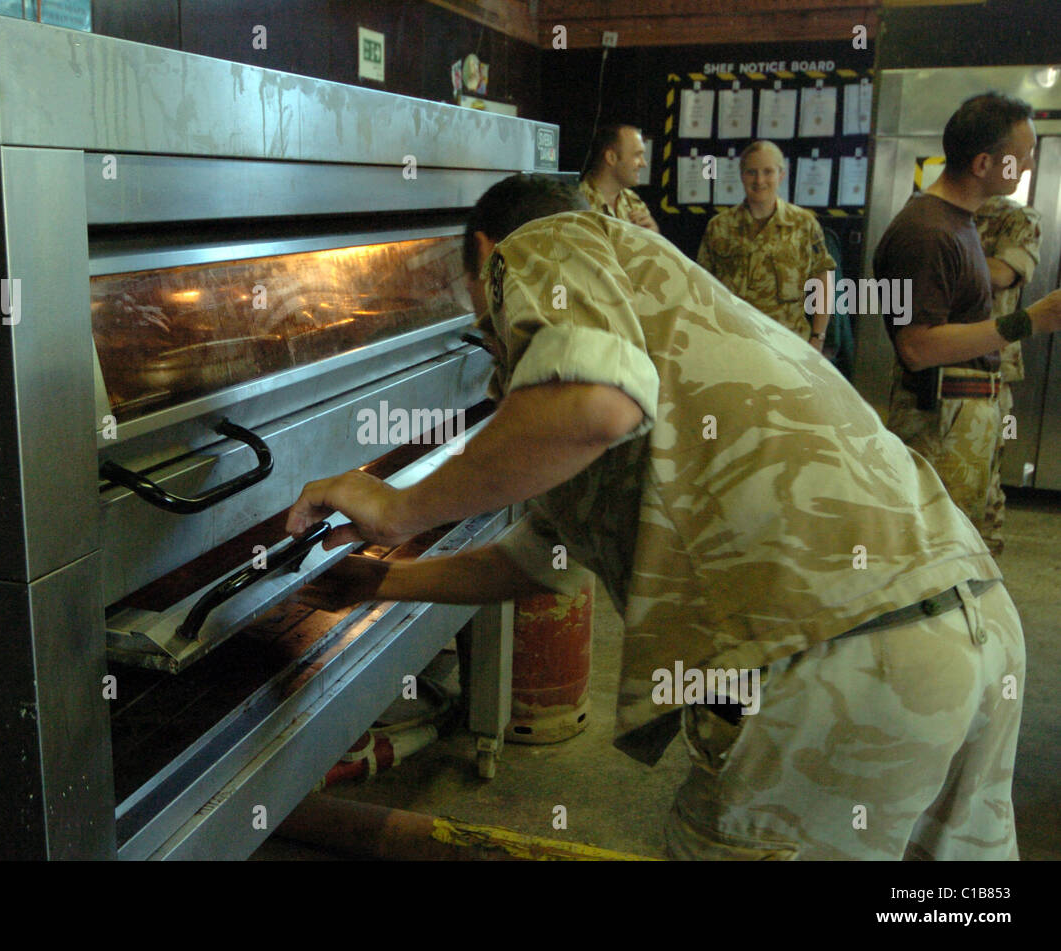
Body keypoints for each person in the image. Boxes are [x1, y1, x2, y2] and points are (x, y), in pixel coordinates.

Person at [286, 173, 1060, 860]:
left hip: (844, 663)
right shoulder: (669, 303)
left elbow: (592, 403)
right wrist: (378, 585)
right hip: (977, 626)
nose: (495, 334)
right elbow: (537, 558)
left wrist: (396, 505)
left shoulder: (542, 241)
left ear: (486, 252)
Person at [875, 93, 1057, 550]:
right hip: (940, 425)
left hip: (961, 422)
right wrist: (1031, 320)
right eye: (1022, 157)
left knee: (960, 550)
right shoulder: (928, 231)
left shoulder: (958, 222)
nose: (1030, 166)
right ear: (982, 164)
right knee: (934, 555)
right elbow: (917, 347)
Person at [696, 141, 835, 348]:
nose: (759, 180)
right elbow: (701, 286)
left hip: (789, 346)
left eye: (768, 172)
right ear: (742, 176)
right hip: (733, 343)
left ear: (781, 175)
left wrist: (818, 336)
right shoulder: (719, 227)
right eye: (752, 172)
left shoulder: (803, 224)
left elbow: (823, 279)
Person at [975, 195, 1043, 556]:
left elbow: (1002, 273)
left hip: (992, 365)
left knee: (986, 466)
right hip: (932, 355)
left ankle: (984, 557)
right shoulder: (935, 210)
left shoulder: (1019, 217)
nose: (1026, 163)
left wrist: (943, 253)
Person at [578, 124, 660, 232]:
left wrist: (654, 235)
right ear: (611, 157)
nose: (644, 163)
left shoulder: (632, 201)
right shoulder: (577, 202)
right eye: (637, 155)